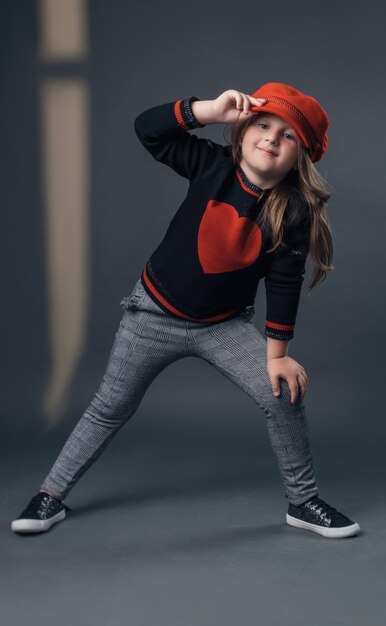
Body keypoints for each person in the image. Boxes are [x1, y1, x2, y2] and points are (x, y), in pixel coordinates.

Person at [11, 82, 361, 539]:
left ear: (302, 156)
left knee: (282, 394)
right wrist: (208, 111)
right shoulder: (211, 166)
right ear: (243, 129)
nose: (272, 138)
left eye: (288, 135)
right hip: (152, 314)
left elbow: (283, 284)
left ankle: (303, 501)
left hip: (222, 326)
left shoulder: (291, 211)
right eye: (263, 124)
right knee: (108, 407)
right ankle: (49, 496)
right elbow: (149, 130)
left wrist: (278, 355)